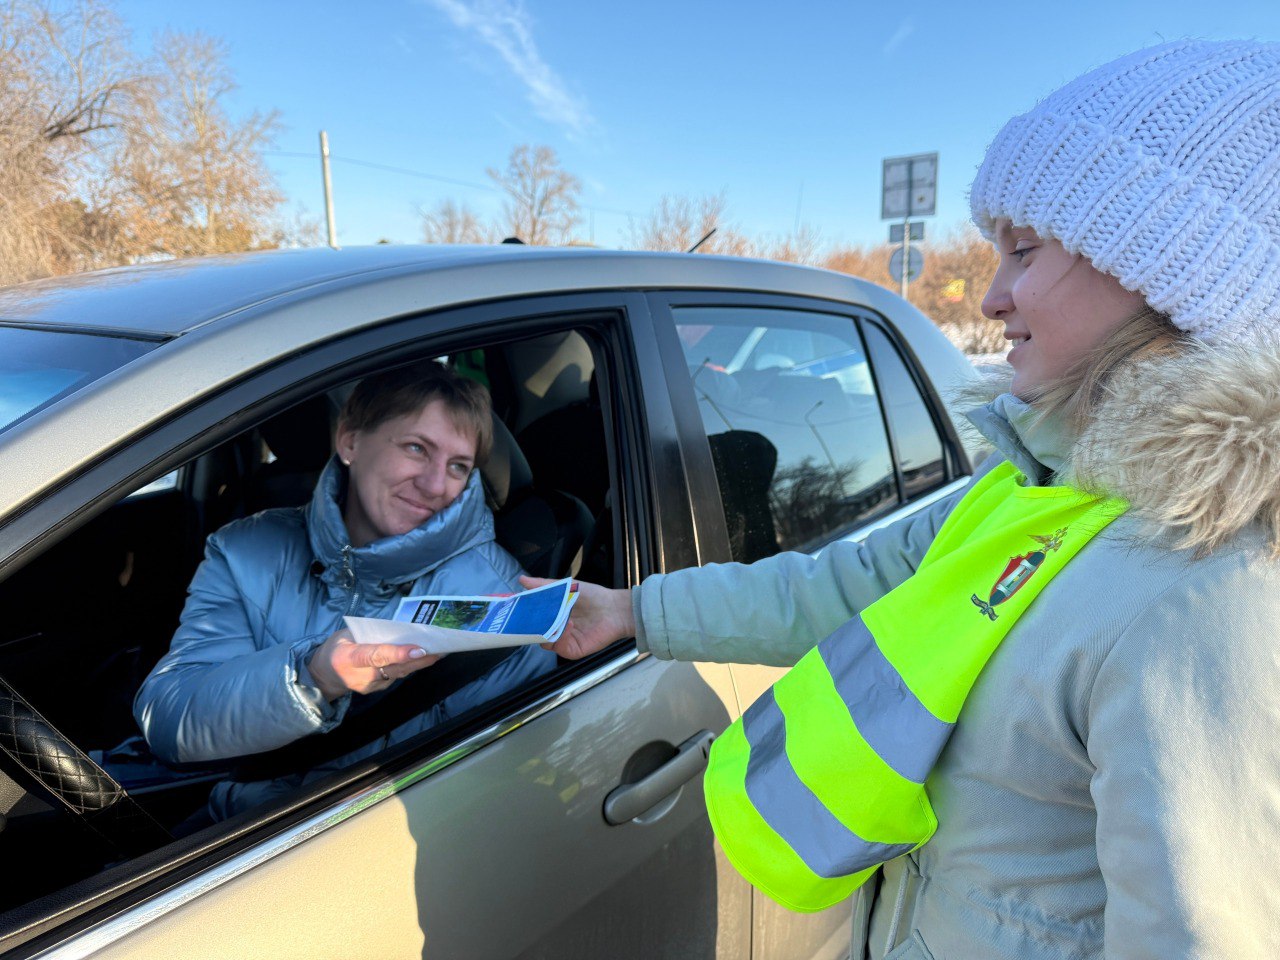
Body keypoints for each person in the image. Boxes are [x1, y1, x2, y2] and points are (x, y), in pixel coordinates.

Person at [528, 40, 1280, 959]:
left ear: (1169, 263)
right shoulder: (1033, 485)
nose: (991, 297)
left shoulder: (1210, 593)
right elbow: (834, 590)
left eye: (1024, 250)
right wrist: (630, 610)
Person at [135, 360, 555, 820]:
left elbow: (511, 782)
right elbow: (170, 720)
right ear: (350, 441)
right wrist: (313, 676)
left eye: (458, 466)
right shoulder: (245, 552)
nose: (436, 485)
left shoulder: (500, 598)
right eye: (417, 448)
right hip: (236, 826)